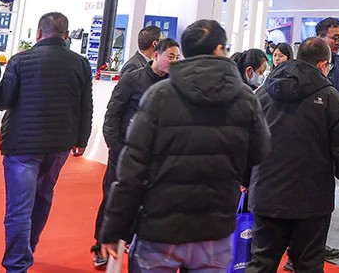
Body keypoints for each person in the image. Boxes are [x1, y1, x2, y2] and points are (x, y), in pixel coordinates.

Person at [99, 19, 271, 273]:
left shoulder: (159, 95)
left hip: (160, 226)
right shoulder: (244, 98)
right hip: (214, 227)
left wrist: (115, 228)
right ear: (219, 49)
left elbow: (132, 170)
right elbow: (260, 152)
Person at [246, 37, 339, 273]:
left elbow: (247, 140)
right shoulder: (331, 98)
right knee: (308, 265)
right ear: (323, 65)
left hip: (267, 193)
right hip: (311, 199)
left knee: (261, 263)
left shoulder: (263, 93)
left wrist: (244, 179)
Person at [0, 12, 93, 273]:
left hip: (21, 145)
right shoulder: (80, 63)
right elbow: (86, 106)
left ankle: (17, 265)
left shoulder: (20, 60)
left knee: (19, 208)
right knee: (42, 197)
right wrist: (82, 139)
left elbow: (3, 101)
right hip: (60, 144)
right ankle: (28, 247)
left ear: (39, 33)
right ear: (66, 34)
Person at [92, 38, 181, 268]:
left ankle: (132, 241)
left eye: (177, 57)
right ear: (156, 54)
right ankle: (100, 245)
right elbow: (113, 113)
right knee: (112, 198)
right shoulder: (133, 78)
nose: (173, 61)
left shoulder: (173, 85)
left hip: (155, 157)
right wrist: (115, 146)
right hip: (124, 152)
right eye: (170, 56)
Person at [315, 16, 339, 260]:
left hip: (329, 140)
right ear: (320, 37)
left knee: (324, 198)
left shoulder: (337, 62)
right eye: (335, 37)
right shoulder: (306, 63)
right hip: (310, 139)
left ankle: (317, 245)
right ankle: (299, 252)